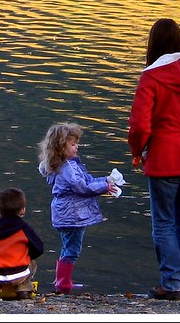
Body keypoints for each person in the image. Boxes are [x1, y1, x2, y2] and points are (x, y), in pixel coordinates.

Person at [127, 18, 180, 301]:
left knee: (163, 221)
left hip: (165, 156)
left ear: (153, 44)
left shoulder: (151, 77)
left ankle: (172, 283)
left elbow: (140, 125)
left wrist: (138, 151)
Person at [38, 121, 117, 294]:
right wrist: (104, 187)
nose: (77, 147)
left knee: (68, 246)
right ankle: (63, 283)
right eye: (73, 144)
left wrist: (105, 181)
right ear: (61, 147)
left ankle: (61, 280)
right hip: (72, 215)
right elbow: (82, 187)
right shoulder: (67, 168)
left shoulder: (66, 165)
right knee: (73, 248)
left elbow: (87, 180)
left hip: (65, 213)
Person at [0, 186, 45, 300]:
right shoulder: (24, 229)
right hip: (19, 273)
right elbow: (39, 248)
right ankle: (23, 289)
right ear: (23, 210)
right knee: (32, 263)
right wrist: (26, 256)